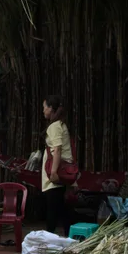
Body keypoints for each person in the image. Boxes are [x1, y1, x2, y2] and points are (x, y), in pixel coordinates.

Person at [42, 95, 74, 235]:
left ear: (50, 109)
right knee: (63, 208)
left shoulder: (54, 126)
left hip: (56, 174)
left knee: (53, 210)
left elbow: (58, 149)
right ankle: (69, 236)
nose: (43, 111)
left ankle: (49, 239)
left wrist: (53, 172)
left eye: (44, 108)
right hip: (62, 172)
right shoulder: (60, 124)